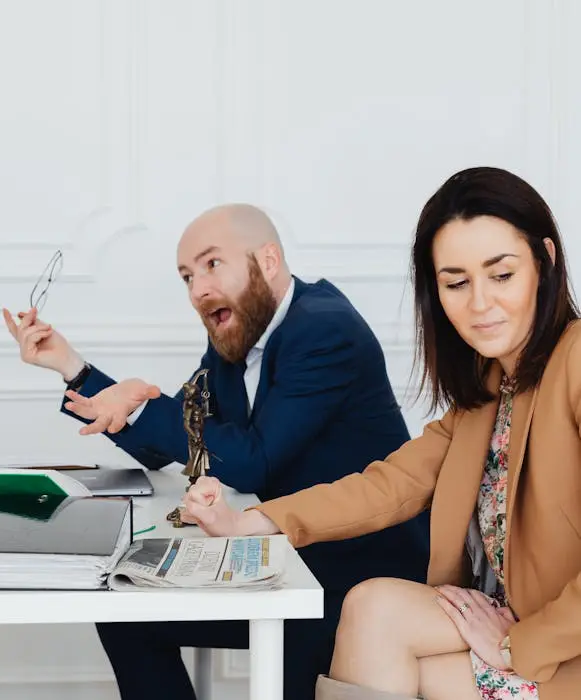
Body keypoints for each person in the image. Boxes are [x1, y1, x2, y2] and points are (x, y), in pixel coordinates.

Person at [181, 167, 581, 700]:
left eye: (502, 275)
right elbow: (388, 484)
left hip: (559, 644)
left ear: (545, 262)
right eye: (456, 283)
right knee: (372, 606)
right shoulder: (491, 388)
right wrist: (248, 521)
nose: (480, 303)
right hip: (511, 621)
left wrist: (517, 645)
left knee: (397, 665)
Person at [3, 203, 430, 700]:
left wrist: (150, 406)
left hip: (353, 577)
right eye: (186, 276)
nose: (197, 289)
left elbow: (253, 460)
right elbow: (184, 444)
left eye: (211, 265)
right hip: (290, 557)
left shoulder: (324, 331)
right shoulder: (238, 331)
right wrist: (74, 369)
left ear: (267, 261)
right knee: (129, 615)